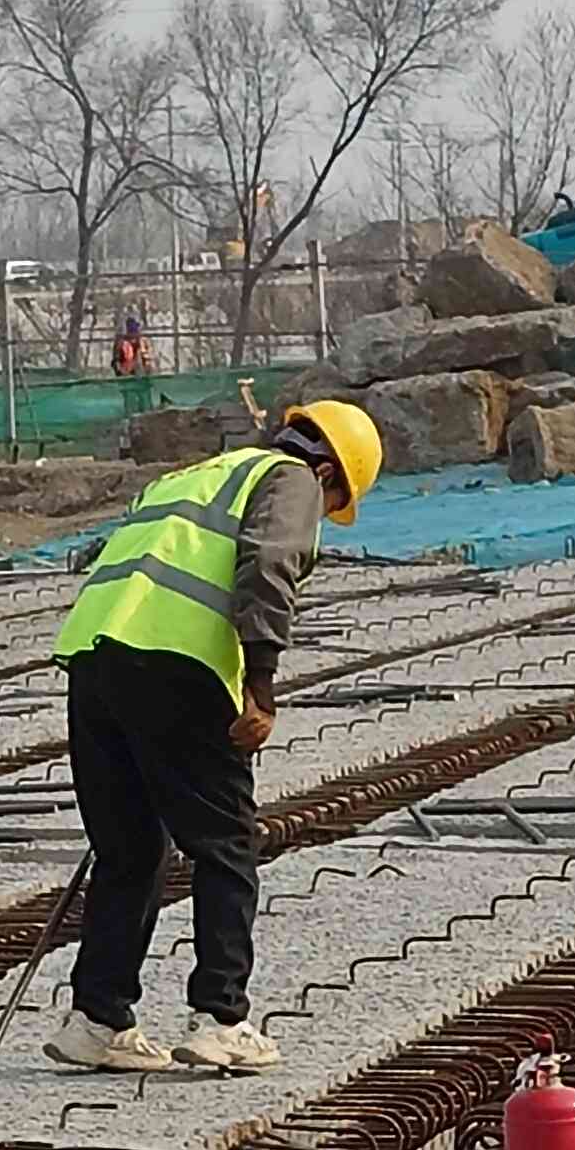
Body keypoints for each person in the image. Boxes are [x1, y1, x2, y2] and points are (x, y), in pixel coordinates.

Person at [43, 397, 381, 1080]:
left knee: (129, 850)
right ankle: (221, 1019)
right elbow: (270, 561)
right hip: (177, 666)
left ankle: (97, 1019)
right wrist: (261, 684)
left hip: (95, 661)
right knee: (227, 844)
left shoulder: (193, 477)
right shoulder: (290, 478)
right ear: (329, 473)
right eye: (334, 503)